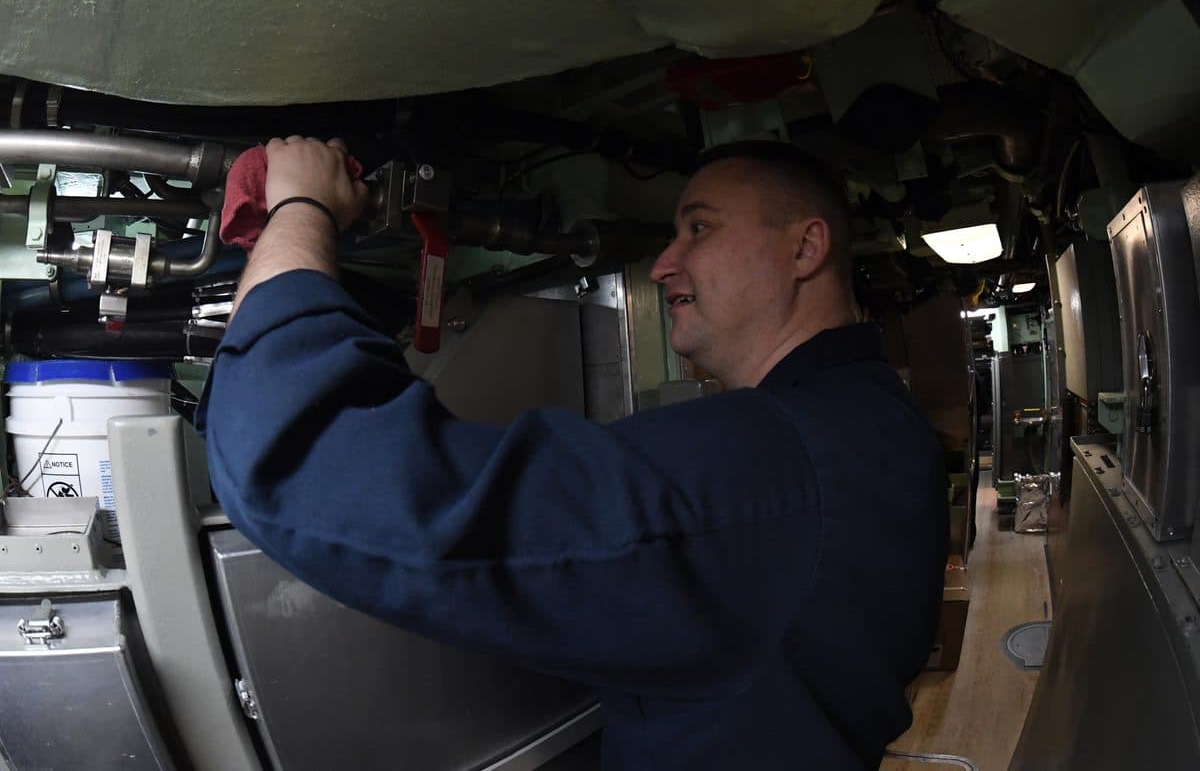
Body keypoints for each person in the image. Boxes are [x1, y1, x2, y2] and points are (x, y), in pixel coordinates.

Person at [198, 136, 948, 770]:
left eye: (700, 228)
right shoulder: (879, 422)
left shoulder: (771, 461)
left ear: (806, 247)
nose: (663, 263)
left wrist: (302, 208)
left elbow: (297, 449)